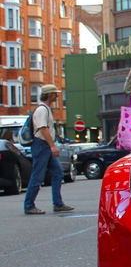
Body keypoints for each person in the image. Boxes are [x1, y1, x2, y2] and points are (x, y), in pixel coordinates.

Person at [23, 84, 74, 215]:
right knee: (38, 176)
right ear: (49, 94)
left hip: (44, 145)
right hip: (41, 145)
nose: (57, 96)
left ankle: (58, 203)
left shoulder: (46, 109)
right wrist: (52, 146)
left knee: (58, 173)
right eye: (55, 93)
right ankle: (29, 205)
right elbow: (43, 128)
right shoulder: (42, 110)